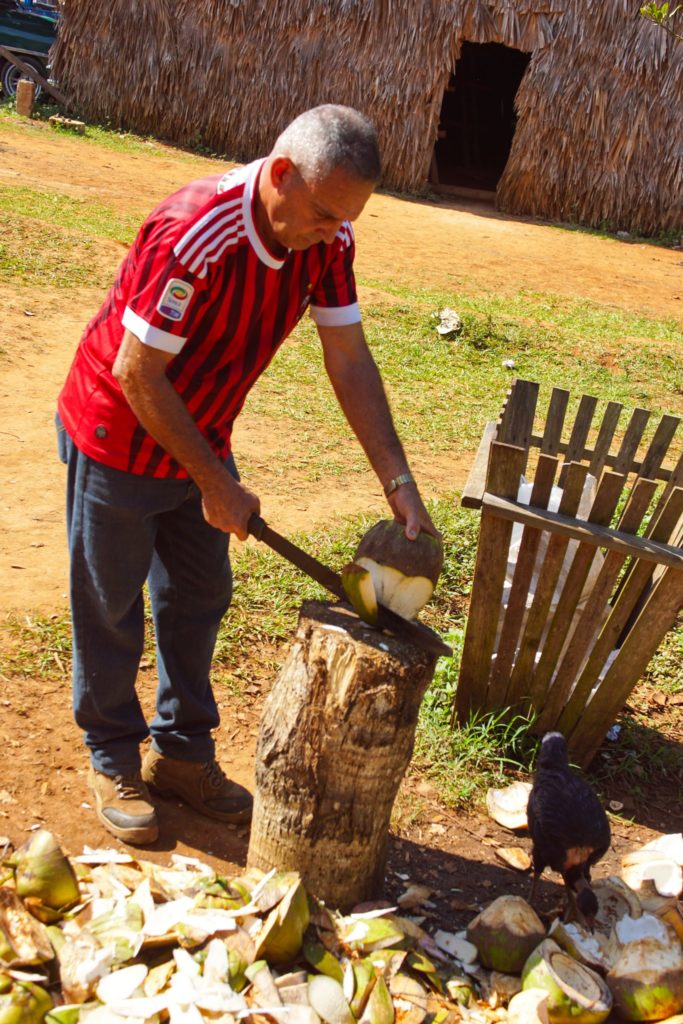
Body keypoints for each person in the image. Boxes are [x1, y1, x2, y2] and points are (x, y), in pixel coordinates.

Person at [56, 104, 438, 846]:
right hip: (120, 432)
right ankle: (111, 757)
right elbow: (138, 373)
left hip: (199, 430)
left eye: (347, 217)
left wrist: (399, 482)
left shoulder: (328, 239)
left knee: (198, 597)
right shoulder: (197, 233)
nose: (334, 230)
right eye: (325, 211)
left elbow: (349, 358)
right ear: (282, 174)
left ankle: (181, 756)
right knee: (108, 603)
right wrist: (214, 482)